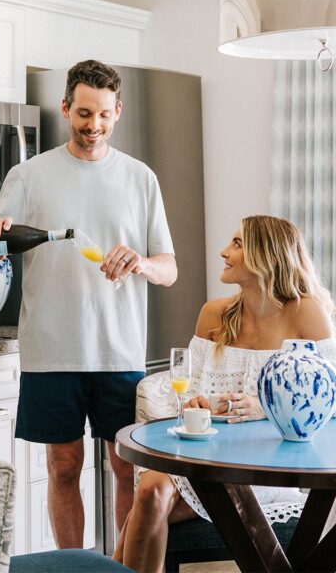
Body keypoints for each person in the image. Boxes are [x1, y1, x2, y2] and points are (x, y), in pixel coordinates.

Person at [0, 59, 178, 548]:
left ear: (118, 111)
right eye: (83, 113)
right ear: (65, 108)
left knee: (127, 470)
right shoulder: (30, 175)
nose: (93, 125)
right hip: (51, 350)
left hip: (119, 351)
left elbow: (169, 270)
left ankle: (123, 565)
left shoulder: (140, 178)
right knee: (63, 467)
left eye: (103, 114)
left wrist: (141, 263)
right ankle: (73, 566)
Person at [113, 215, 336, 573]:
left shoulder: (306, 312)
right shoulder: (214, 314)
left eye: (237, 243)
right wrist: (195, 403)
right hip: (206, 459)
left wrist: (265, 407)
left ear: (266, 254)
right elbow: (190, 389)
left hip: (266, 466)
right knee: (150, 491)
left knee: (146, 507)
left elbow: (330, 397)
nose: (224, 251)